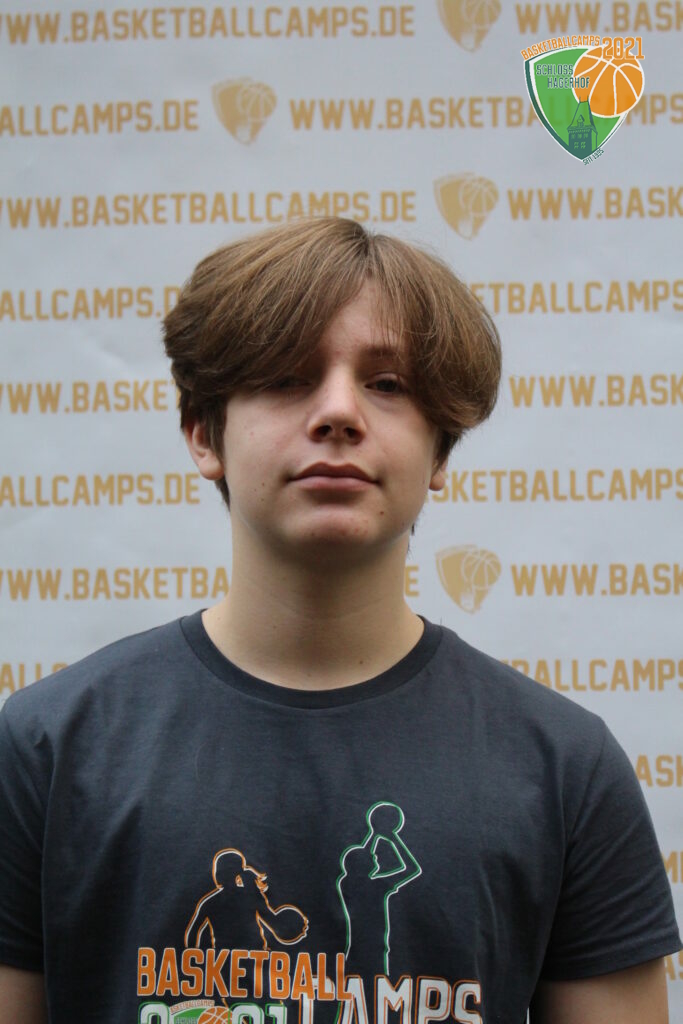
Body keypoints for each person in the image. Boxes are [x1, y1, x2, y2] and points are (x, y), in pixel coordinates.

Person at [0, 218, 679, 1024]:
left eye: (386, 384)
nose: (337, 412)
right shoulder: (48, 749)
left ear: (440, 453)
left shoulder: (564, 768)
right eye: (287, 377)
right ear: (203, 433)